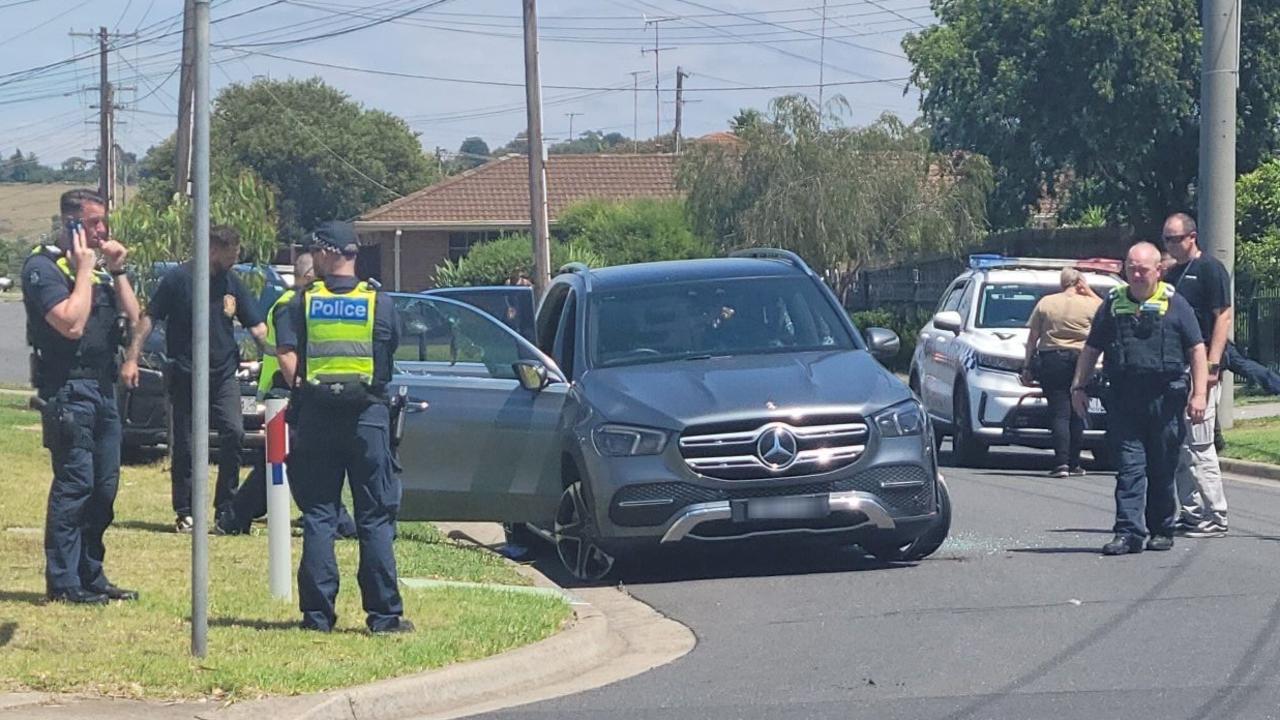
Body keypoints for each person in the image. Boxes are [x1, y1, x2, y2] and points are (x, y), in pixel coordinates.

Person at [276, 221, 412, 634]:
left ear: (328, 252)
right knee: (373, 519)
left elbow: (287, 363)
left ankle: (317, 617)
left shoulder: (300, 302)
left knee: (319, 516)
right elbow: (388, 353)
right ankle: (384, 617)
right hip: (368, 418)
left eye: (316, 250)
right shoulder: (379, 302)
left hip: (317, 417)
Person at [21, 189, 141, 604]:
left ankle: (92, 574)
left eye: (104, 222)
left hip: (104, 389)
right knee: (76, 484)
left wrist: (118, 270)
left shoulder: (100, 269)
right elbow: (70, 324)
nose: (102, 230)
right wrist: (86, 270)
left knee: (104, 488)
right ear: (70, 223)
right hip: (68, 390)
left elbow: (137, 318)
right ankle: (64, 582)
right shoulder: (42, 267)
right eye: (93, 223)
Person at [1071, 242, 1208, 556]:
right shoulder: (1112, 304)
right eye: (1131, 267)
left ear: (1158, 270)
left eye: (1143, 269)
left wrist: (1199, 394)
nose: (1136, 274)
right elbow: (1091, 349)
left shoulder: (1177, 305)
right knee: (1129, 470)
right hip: (1124, 400)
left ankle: (1161, 529)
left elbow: (1196, 350)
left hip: (1165, 402)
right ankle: (1128, 533)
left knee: (1161, 469)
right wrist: (1078, 387)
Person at [129, 227, 267, 533]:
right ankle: (186, 511)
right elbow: (149, 318)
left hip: (223, 375)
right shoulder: (178, 279)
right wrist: (131, 358)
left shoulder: (232, 283)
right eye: (231, 253)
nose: (235, 259)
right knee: (187, 446)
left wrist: (273, 352)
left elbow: (256, 325)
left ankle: (226, 509)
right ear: (214, 249)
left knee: (234, 434)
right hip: (186, 373)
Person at [215, 252, 356, 538]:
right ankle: (331, 517)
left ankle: (237, 515)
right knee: (285, 459)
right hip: (288, 390)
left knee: (283, 460)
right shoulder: (291, 305)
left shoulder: (307, 304)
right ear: (308, 277)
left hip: (295, 390)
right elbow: (288, 353)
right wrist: (301, 390)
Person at [1161, 213, 1231, 537]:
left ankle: (1216, 514)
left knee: (1200, 444)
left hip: (1201, 365)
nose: (1170, 244)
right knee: (1179, 445)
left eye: (1174, 238)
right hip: (1175, 368)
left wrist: (1213, 364)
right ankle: (1191, 513)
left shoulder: (1209, 269)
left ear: (1192, 237)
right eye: (1166, 239)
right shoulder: (1172, 275)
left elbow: (1223, 317)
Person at [1022, 267, 1102, 478]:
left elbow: (1032, 339)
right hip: (1082, 360)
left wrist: (1027, 366)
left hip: (1052, 359)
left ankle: (1061, 464)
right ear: (1080, 283)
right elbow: (1108, 313)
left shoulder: (1046, 302)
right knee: (1078, 410)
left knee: (1059, 411)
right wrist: (1091, 292)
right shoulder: (1091, 304)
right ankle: (1075, 462)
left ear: (1062, 283)